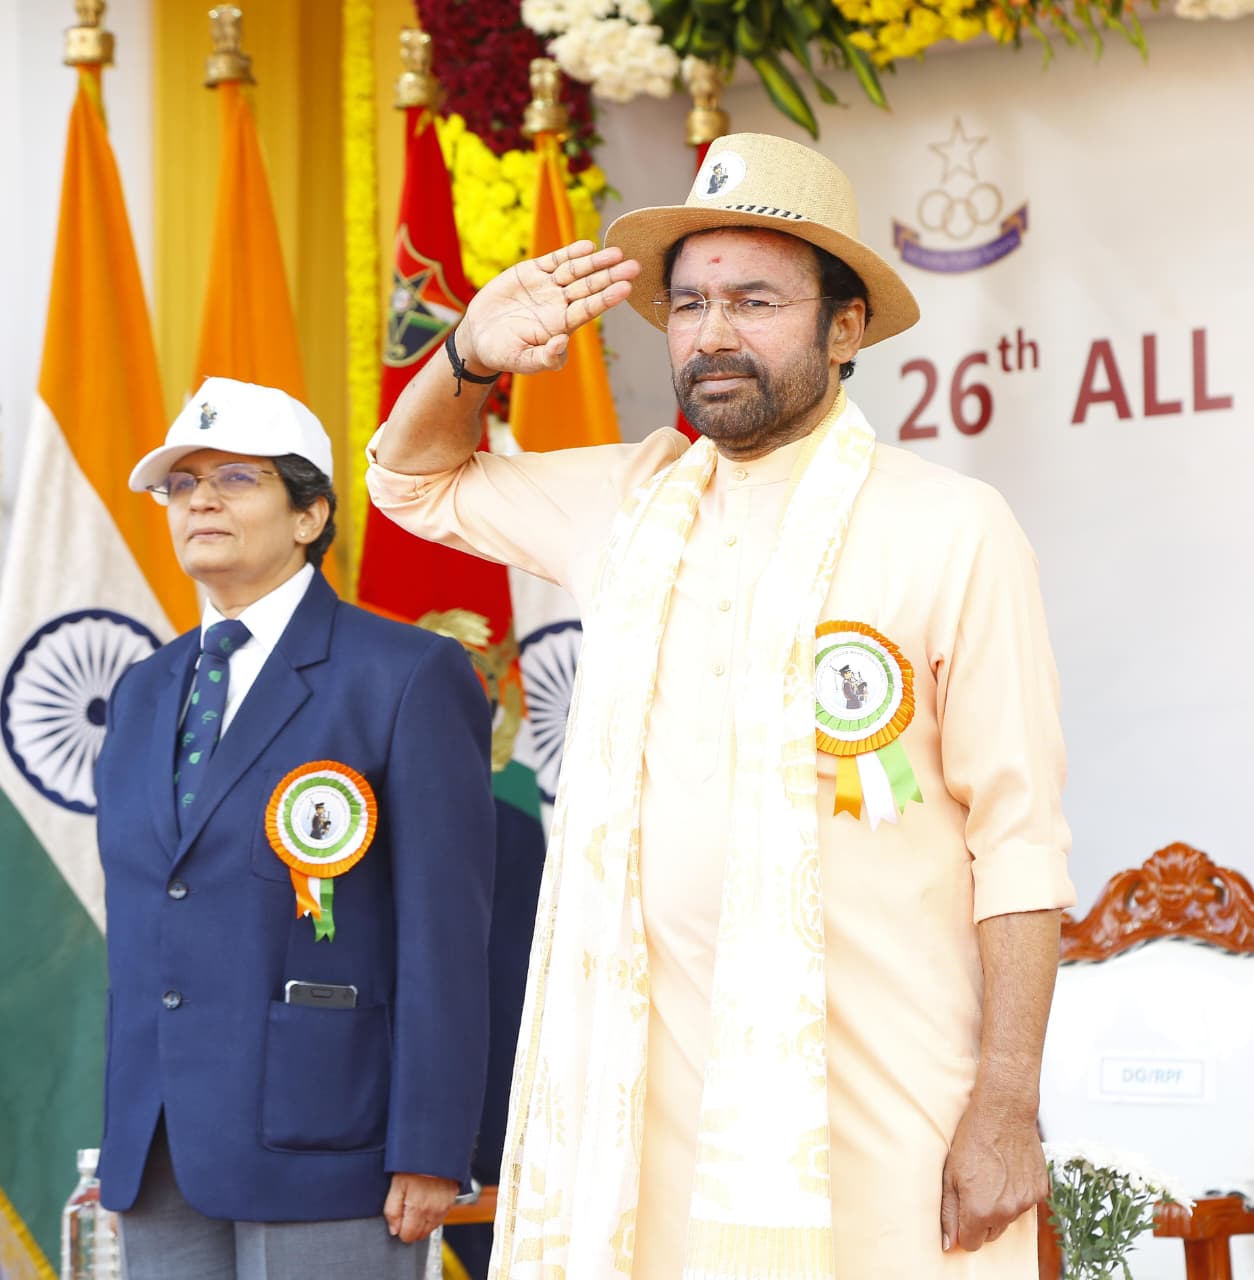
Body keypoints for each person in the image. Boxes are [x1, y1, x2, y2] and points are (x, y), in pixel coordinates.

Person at [366, 132, 1076, 1279]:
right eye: (689, 304)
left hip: (882, 1106)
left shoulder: (952, 525)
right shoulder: (629, 500)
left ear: (845, 328)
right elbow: (411, 479)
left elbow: (1020, 838)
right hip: (642, 1119)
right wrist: (469, 353)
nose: (713, 334)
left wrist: (1005, 1102)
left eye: (755, 300)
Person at [95, 377, 495, 1280]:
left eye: (234, 479)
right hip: (158, 1145)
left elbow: (447, 933)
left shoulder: (407, 674)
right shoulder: (143, 690)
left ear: (311, 514)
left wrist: (431, 1142)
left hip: (333, 1140)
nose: (198, 501)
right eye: (181, 484)